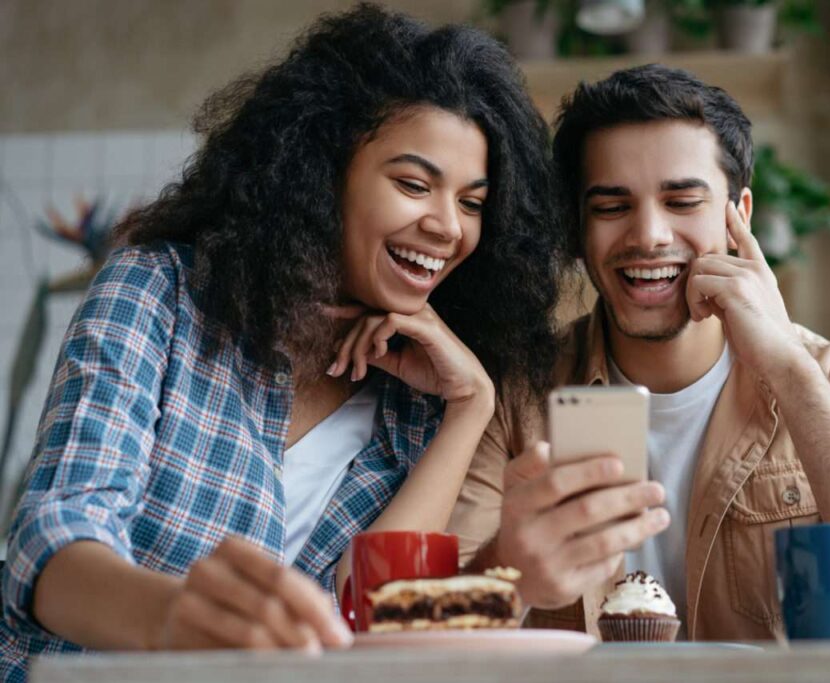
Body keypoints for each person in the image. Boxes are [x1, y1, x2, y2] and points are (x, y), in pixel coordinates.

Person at [0, 5, 565, 679]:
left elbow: (370, 622)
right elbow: (53, 544)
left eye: (473, 203)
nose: (447, 226)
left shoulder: (422, 400)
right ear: (322, 174)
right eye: (414, 184)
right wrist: (174, 620)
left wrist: (471, 404)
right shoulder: (160, 295)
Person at [449, 64, 830, 640]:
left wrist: (788, 368)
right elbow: (430, 651)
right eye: (612, 207)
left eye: (683, 201)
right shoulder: (516, 396)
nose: (649, 235)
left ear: (738, 216)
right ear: (578, 229)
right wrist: (509, 575)